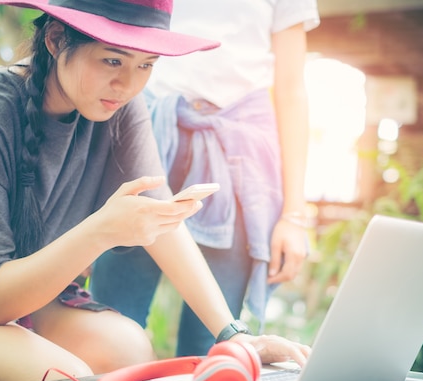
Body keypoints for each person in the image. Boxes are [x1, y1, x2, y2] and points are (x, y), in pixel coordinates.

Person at [0, 0, 310, 381]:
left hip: (19, 296)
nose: (128, 83)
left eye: (146, 65)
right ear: (56, 40)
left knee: (129, 351)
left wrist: (233, 334)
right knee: (66, 379)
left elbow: (163, 218)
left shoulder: (117, 106)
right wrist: (102, 230)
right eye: (112, 60)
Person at [90, 0, 320, 356]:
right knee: (111, 324)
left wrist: (293, 215)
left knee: (213, 346)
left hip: (238, 156)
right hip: (143, 130)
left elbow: (292, 89)